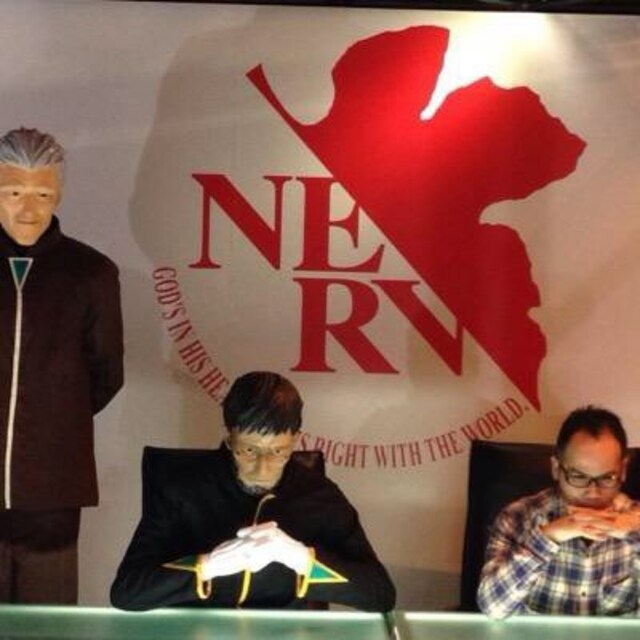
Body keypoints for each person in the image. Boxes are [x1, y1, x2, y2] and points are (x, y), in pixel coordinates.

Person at [110, 371, 396, 612]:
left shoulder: (319, 495)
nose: (263, 468)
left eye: (278, 451)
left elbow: (381, 594)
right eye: (248, 450)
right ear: (229, 437)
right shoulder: (183, 488)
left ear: (296, 440)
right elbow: (126, 592)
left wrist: (301, 558)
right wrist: (208, 566)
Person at [0, 127, 124, 603]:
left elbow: (106, 373)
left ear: (60, 194)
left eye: (43, 194)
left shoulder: (91, 273)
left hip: (54, 483)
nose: (28, 209)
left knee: (46, 615)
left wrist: (53, 417)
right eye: (13, 192)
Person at [477, 406, 640, 618]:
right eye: (578, 476)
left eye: (607, 478)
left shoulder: (636, 519)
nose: (593, 492)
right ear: (556, 468)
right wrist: (548, 537)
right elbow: (492, 607)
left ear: (623, 470)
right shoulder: (517, 517)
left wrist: (635, 535)